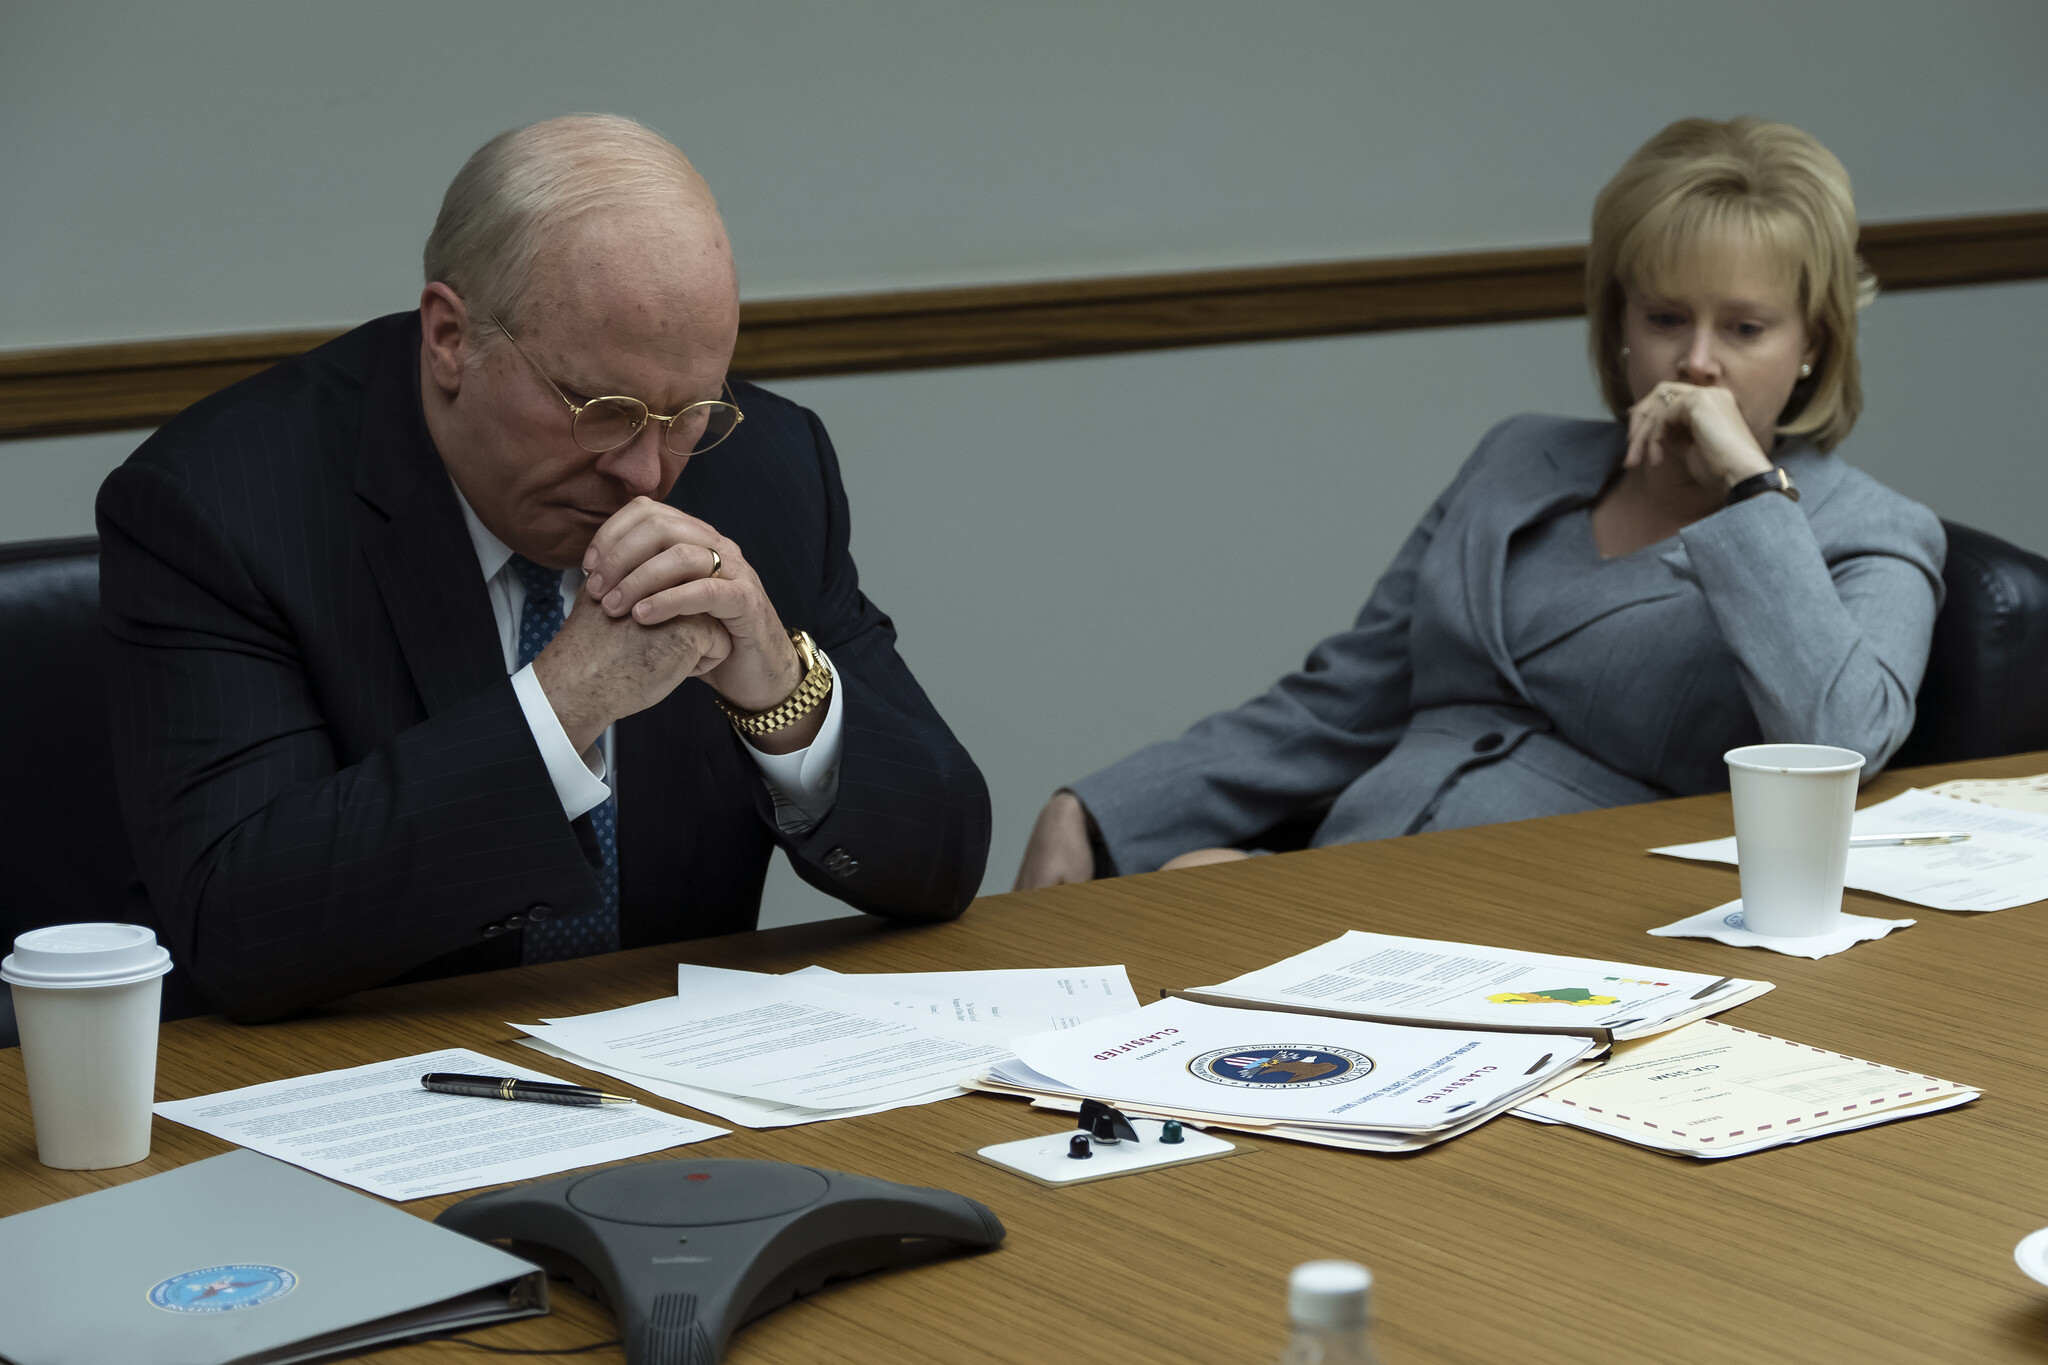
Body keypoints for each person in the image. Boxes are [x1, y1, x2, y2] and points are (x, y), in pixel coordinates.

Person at [98, 115, 990, 1021]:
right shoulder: (222, 506)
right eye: (602, 407)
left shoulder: (761, 470)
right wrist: (564, 704)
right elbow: (240, 923)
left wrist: (781, 692)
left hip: (667, 1082)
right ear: (450, 337)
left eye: (687, 413)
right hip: (341, 1076)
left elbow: (946, 859)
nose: (645, 473)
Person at [1015, 116, 1943, 888]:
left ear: (1813, 342)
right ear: (1619, 325)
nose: (1697, 362)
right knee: (1189, 883)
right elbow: (1342, 702)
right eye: (1665, 319)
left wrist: (1750, 489)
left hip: (1585, 932)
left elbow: (1841, 748)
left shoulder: (1869, 531)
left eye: (1743, 327)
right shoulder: (1517, 459)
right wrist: (1096, 810)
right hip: (1353, 874)